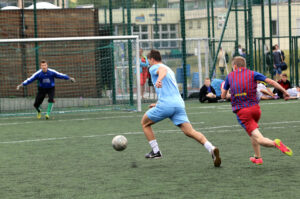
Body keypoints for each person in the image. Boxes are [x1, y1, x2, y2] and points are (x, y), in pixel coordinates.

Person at [141, 50, 221, 167]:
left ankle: (156, 151)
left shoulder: (154, 67)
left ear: (152, 59)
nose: (148, 63)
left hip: (167, 105)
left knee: (144, 123)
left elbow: (161, 71)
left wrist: (159, 79)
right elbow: (169, 89)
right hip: (178, 104)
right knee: (189, 131)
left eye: (148, 60)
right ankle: (211, 148)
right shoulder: (169, 69)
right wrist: (158, 103)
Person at [221, 56, 293, 165]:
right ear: (244, 65)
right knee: (253, 134)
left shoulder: (229, 76)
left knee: (259, 138)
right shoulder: (252, 73)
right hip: (256, 110)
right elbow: (271, 82)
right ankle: (258, 157)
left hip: (243, 111)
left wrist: (229, 92)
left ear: (234, 66)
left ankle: (276, 144)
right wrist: (285, 92)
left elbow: (223, 96)